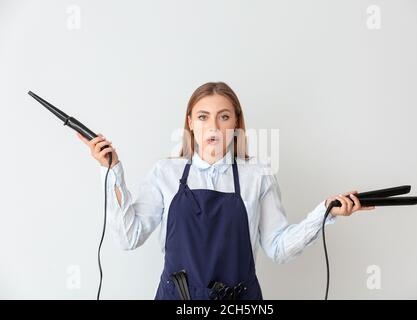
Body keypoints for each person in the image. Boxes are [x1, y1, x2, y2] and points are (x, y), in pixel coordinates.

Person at [77, 81, 375, 300]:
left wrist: (323, 213)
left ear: (236, 123)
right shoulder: (165, 174)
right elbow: (129, 237)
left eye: (224, 116)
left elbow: (278, 248)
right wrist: (112, 171)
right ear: (190, 123)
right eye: (203, 116)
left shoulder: (257, 175)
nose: (214, 127)